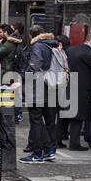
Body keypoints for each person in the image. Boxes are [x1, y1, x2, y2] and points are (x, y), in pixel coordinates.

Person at [20, 31, 59, 163]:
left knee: (36, 121)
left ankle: (37, 154)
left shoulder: (37, 46)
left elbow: (35, 66)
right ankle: (48, 150)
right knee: (43, 122)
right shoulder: (51, 46)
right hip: (49, 87)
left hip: (36, 88)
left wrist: (22, 77)